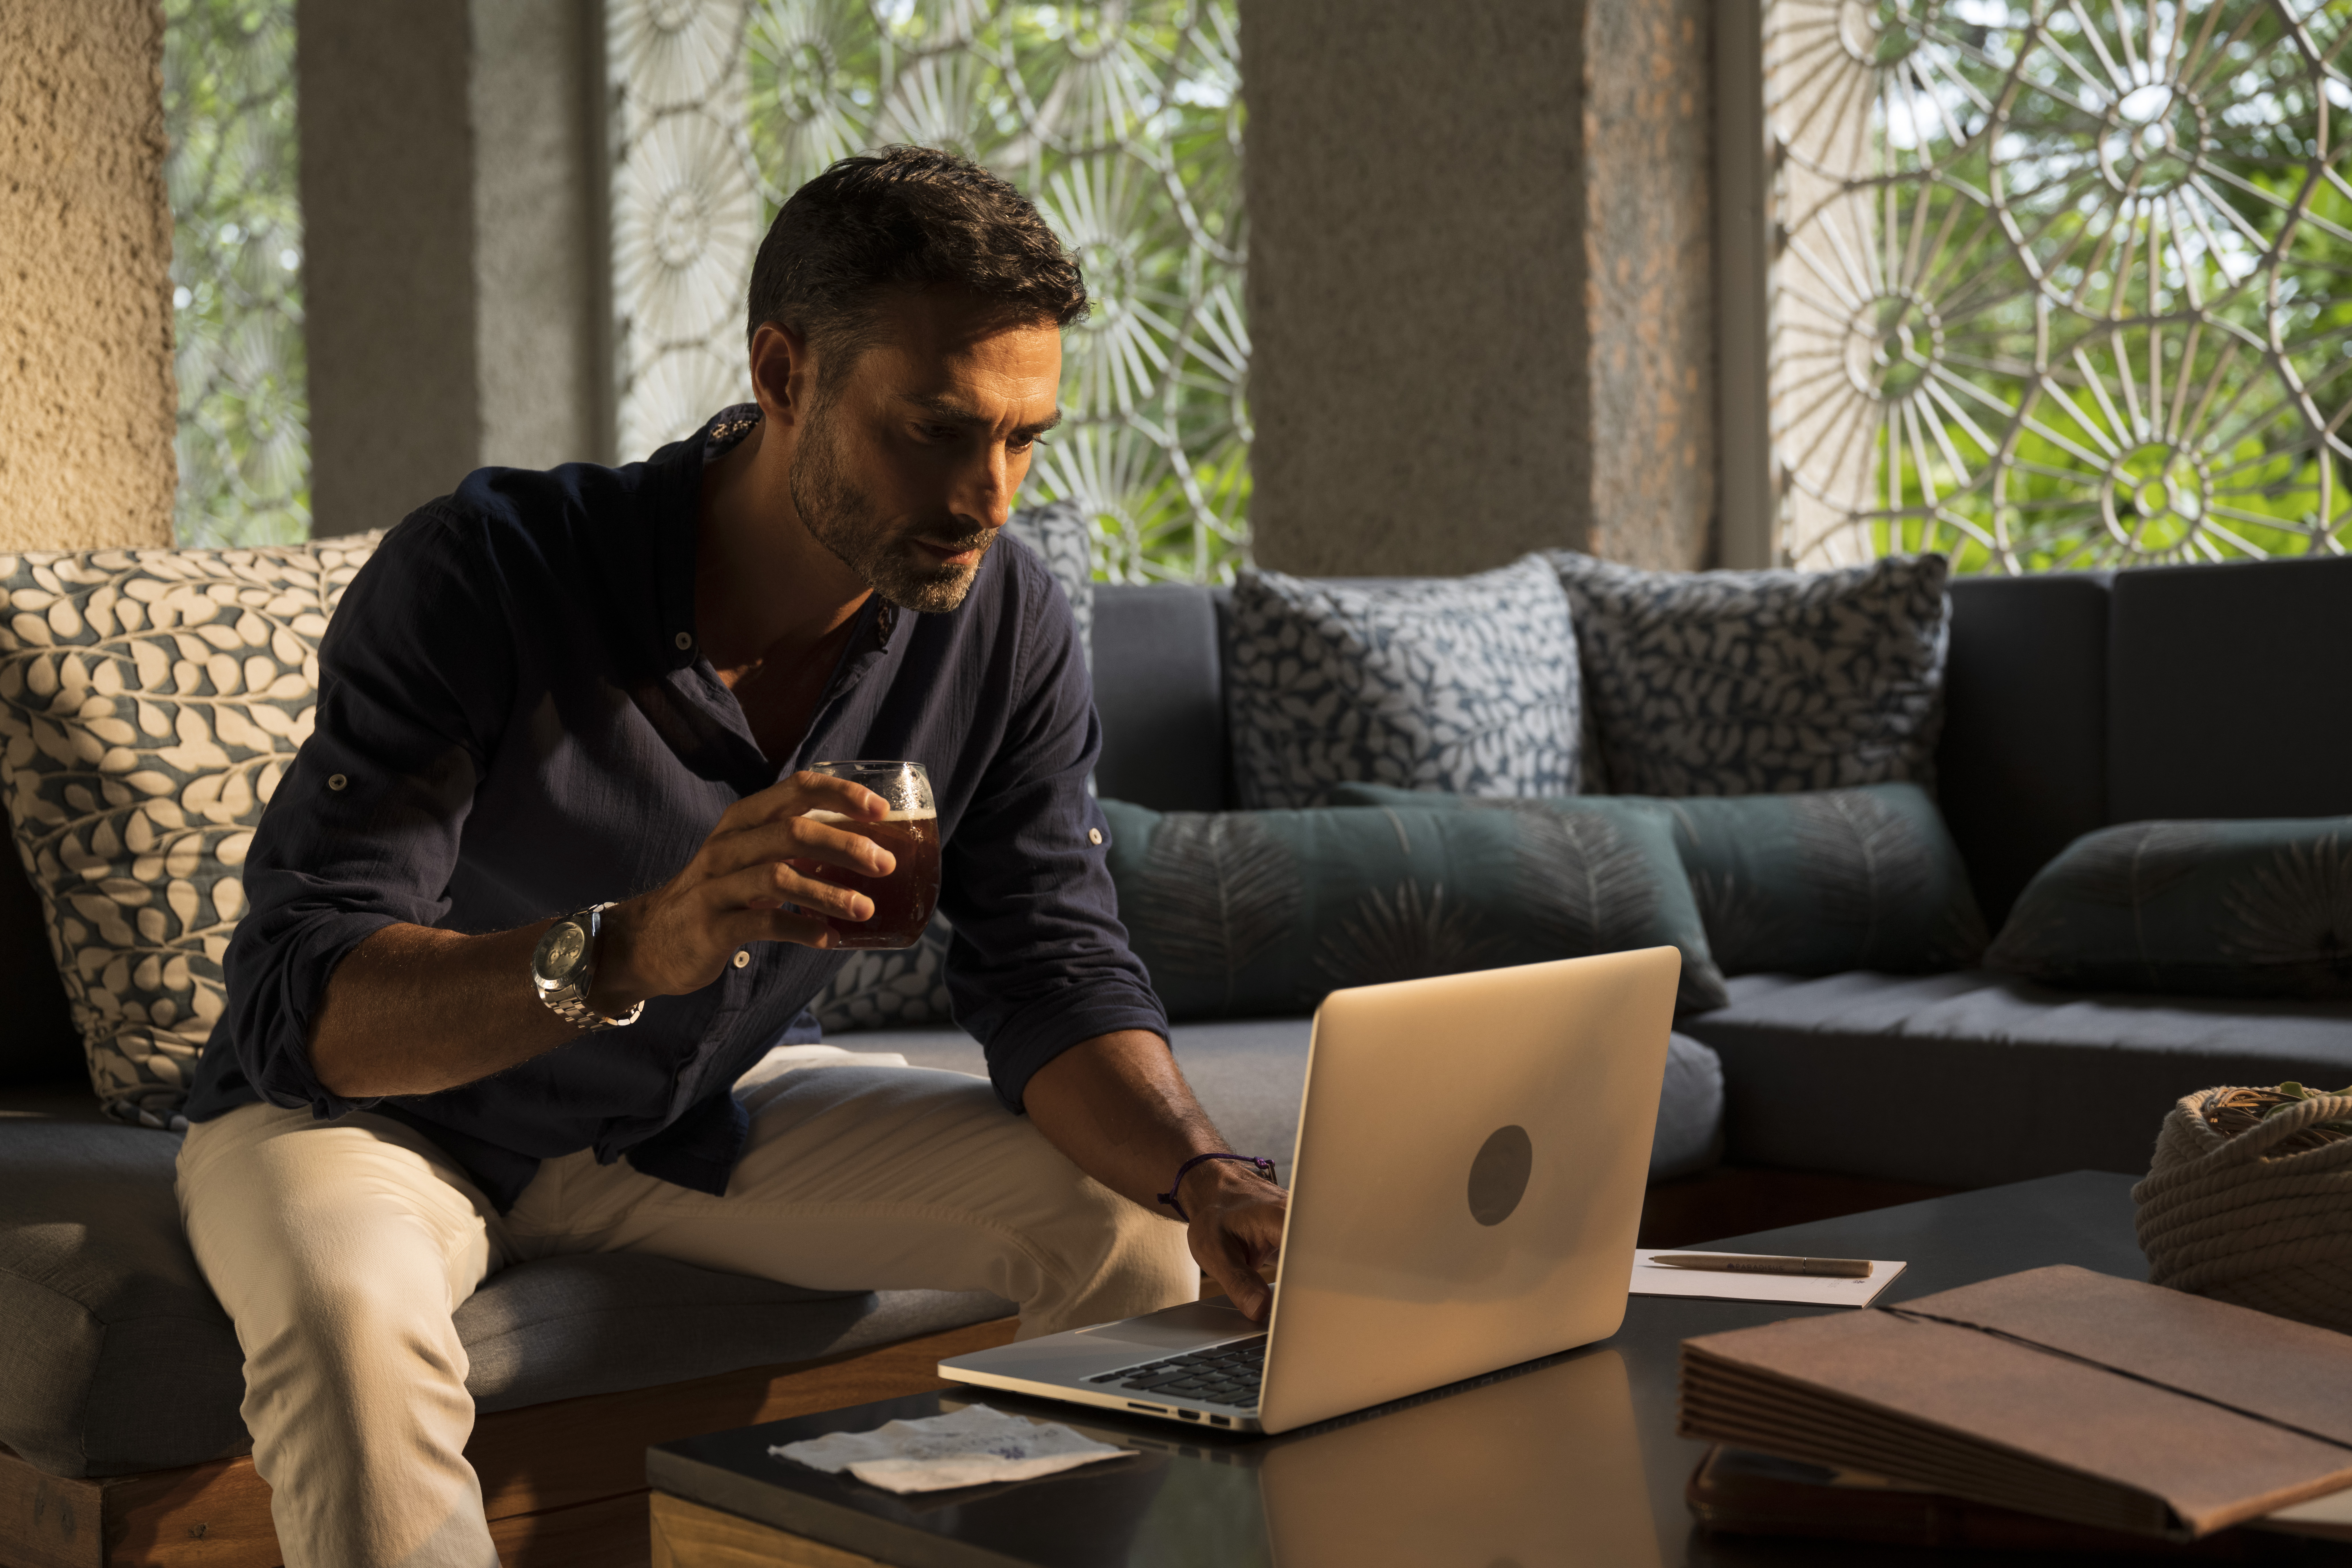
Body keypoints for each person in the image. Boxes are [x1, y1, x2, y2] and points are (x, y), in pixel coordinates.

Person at [174, 145, 1287, 1568]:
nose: (989, 494)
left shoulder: (999, 616)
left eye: (1024, 440)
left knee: (1131, 1237)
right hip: (367, 1122)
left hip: (685, 1112)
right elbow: (300, 1001)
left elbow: (1053, 962)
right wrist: (640, 942)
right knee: (346, 1322)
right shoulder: (486, 572)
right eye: (938, 430)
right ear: (783, 373)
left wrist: (1204, 1174)